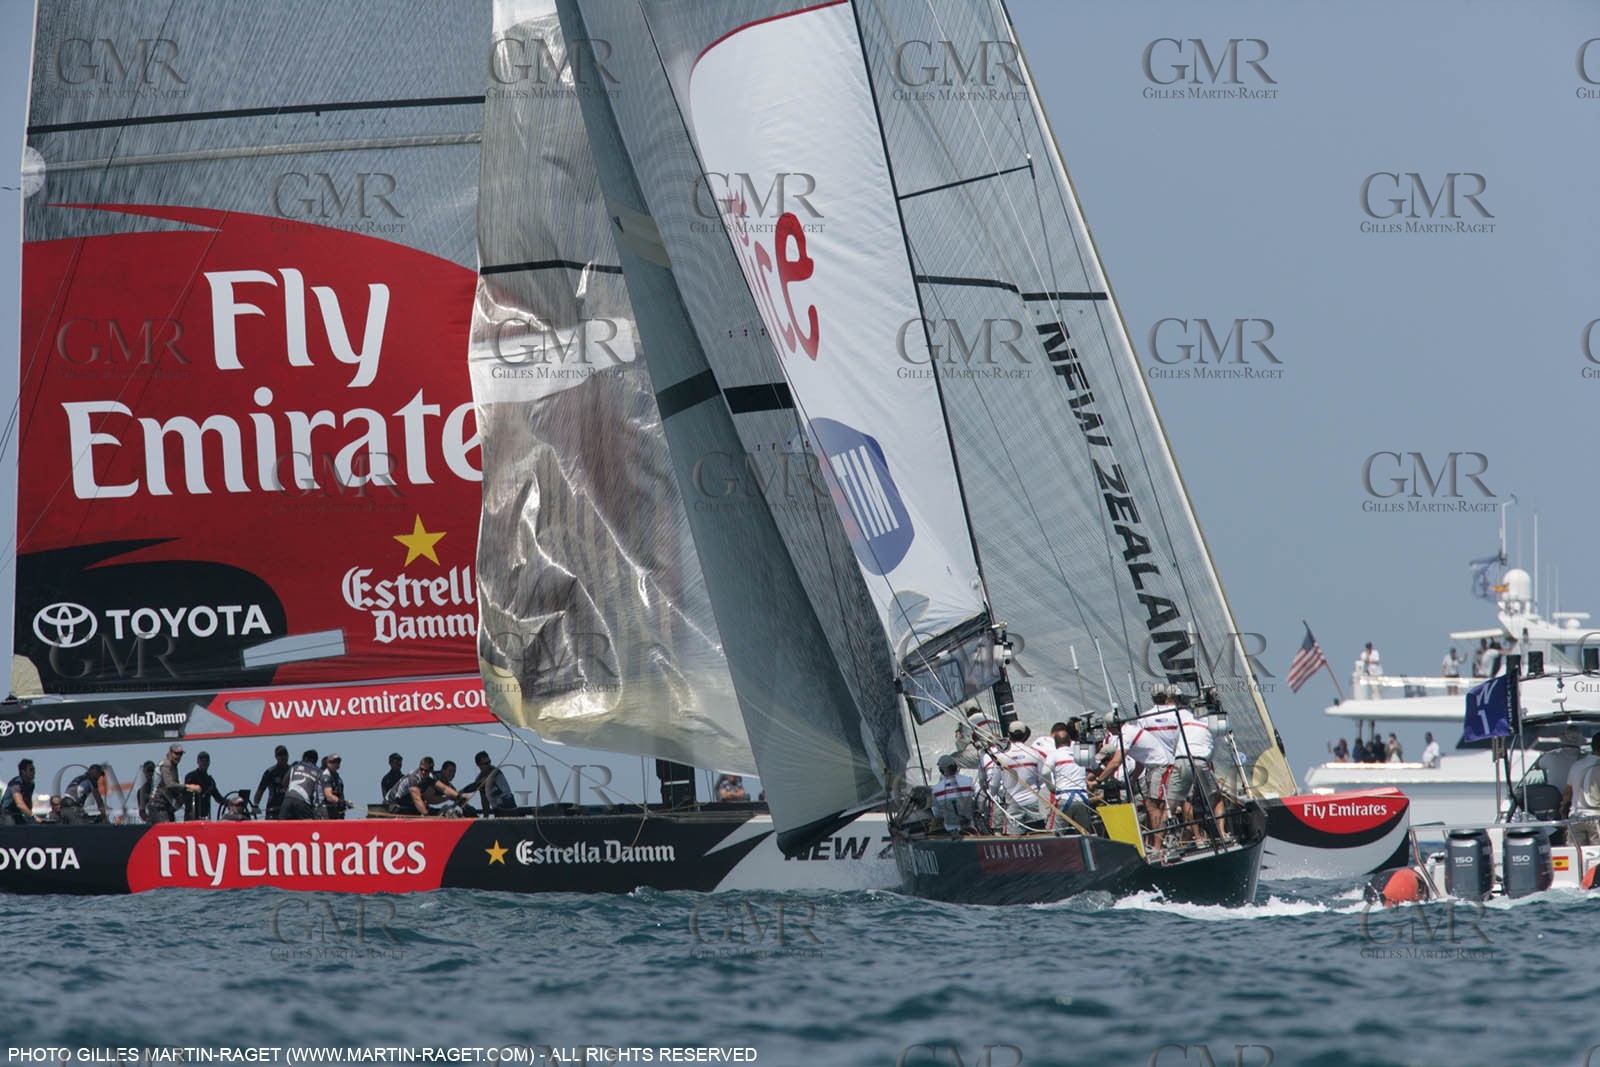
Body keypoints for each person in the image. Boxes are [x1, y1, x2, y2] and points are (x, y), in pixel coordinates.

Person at [981, 722, 1048, 834]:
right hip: (1034, 802)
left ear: (1009, 735)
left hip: (1013, 805)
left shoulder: (1001, 757)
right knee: (1039, 834)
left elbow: (994, 785)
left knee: (1014, 839)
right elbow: (1042, 780)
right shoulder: (1035, 754)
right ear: (1025, 735)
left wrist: (993, 795)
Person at [146, 745, 201, 824]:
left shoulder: (173, 766)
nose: (178, 757)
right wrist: (189, 786)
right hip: (158, 806)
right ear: (170, 752)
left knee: (172, 829)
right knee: (166, 831)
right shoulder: (166, 764)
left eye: (180, 754)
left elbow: (176, 788)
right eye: (176, 754)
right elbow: (169, 784)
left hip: (166, 806)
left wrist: (189, 790)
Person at [1562, 735, 1600, 846]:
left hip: (1576, 817)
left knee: (1576, 856)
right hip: (1596, 817)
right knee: (1596, 857)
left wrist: (1563, 812)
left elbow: (1567, 793)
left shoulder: (1577, 764)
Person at [385, 757, 453, 816]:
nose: (452, 774)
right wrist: (427, 817)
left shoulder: (432, 779)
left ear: (431, 770)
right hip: (393, 804)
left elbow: (446, 789)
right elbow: (427, 799)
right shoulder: (415, 779)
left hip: (411, 804)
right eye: (450, 771)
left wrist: (459, 796)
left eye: (454, 772)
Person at [930, 754, 975, 834]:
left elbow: (937, 814)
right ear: (955, 766)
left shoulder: (936, 789)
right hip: (969, 827)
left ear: (941, 771)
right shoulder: (969, 781)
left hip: (950, 829)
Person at [184, 751, 229, 821]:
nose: (204, 763)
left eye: (206, 761)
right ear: (198, 762)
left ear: (209, 763)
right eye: (202, 761)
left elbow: (218, 797)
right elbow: (185, 791)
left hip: (206, 817)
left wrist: (229, 803)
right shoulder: (191, 776)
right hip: (191, 816)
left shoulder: (210, 781)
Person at [953, 705, 1002, 769]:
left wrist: (959, 732)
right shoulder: (988, 716)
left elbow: (961, 746)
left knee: (952, 759)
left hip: (987, 753)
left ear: (967, 713)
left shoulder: (968, 722)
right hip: (1002, 746)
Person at [279, 749, 322, 820]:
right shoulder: (318, 772)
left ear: (305, 758)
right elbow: (318, 793)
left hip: (288, 799)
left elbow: (284, 782)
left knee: (281, 827)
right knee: (308, 828)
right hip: (303, 802)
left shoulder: (295, 765)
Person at [253, 745, 291, 820]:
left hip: (289, 809)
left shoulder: (292, 770)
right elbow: (260, 790)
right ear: (276, 757)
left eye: (284, 754)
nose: (283, 757)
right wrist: (256, 806)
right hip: (273, 809)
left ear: (288, 755)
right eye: (280, 754)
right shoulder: (270, 772)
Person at [1, 759, 37, 825]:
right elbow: (19, 804)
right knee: (11, 824)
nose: (34, 772)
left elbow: (28, 802)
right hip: (6, 814)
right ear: (23, 772)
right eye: (31, 770)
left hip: (18, 814)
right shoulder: (15, 784)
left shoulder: (31, 784)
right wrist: (33, 816)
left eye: (34, 770)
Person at [318, 754, 353, 819]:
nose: (336, 764)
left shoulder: (337, 777)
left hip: (335, 809)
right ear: (328, 763)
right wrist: (343, 802)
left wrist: (344, 804)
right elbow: (329, 796)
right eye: (333, 762)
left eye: (338, 762)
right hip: (325, 809)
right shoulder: (326, 776)